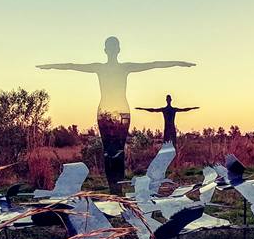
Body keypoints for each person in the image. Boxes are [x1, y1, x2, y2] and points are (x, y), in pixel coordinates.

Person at [38, 37, 194, 193]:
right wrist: (50, 66)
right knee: (111, 151)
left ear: (111, 50)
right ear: (111, 50)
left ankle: (117, 189)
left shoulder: (116, 67)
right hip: (107, 112)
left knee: (116, 150)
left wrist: (178, 63)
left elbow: (153, 65)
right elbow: (72, 66)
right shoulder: (107, 68)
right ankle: (115, 189)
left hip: (119, 112)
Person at [135, 94, 199, 144]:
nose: (168, 100)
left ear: (169, 100)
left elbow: (184, 109)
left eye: (168, 99)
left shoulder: (171, 109)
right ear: (169, 100)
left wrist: (193, 108)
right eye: (168, 99)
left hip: (170, 128)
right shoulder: (166, 109)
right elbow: (153, 110)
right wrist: (142, 108)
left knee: (172, 143)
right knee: (167, 144)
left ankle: (173, 158)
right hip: (168, 129)